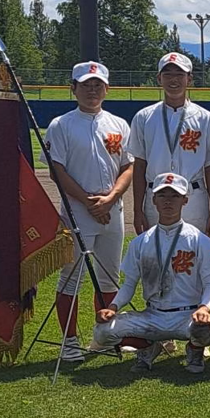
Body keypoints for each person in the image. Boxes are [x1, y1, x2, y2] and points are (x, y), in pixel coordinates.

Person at [125, 52, 210, 355]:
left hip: (193, 195)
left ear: (190, 79)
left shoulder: (205, 118)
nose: (174, 79)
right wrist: (138, 206)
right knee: (155, 260)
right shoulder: (144, 117)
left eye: (180, 74)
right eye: (168, 73)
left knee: (192, 260)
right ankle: (159, 330)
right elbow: (138, 165)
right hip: (156, 195)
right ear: (159, 79)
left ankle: (196, 329)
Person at [44, 61, 134, 362]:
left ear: (107, 89)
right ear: (73, 88)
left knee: (109, 279)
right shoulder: (61, 125)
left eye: (97, 85)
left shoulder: (119, 124)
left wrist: (111, 198)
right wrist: (88, 201)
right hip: (77, 212)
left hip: (113, 209)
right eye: (85, 85)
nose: (91, 90)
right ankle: (70, 341)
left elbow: (127, 166)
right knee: (71, 277)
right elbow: (57, 170)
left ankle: (104, 336)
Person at [93, 173, 210, 374]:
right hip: (152, 314)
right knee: (102, 332)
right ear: (154, 200)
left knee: (207, 330)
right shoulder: (141, 242)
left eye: (175, 196)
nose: (168, 201)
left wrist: (204, 308)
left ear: (185, 200)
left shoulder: (199, 239)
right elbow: (128, 285)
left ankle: (195, 351)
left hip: (187, 315)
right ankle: (148, 347)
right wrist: (113, 307)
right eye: (162, 195)